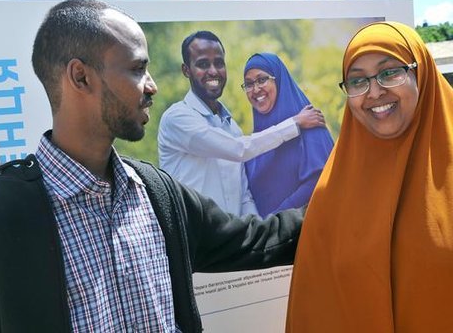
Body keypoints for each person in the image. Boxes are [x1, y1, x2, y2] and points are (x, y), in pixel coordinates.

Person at [0, 0, 306, 333]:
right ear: (81, 76)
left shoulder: (156, 193)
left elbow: (259, 240)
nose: (152, 86)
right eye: (136, 69)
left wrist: (342, 199)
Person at [285, 21, 453, 333]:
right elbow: (316, 309)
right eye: (357, 81)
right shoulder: (331, 194)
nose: (374, 92)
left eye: (390, 72)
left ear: (422, 74)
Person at [158, 31, 325, 216]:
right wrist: (294, 123)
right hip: (196, 242)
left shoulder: (232, 128)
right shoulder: (177, 118)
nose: (213, 71)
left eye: (219, 63)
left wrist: (261, 234)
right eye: (203, 64)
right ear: (186, 70)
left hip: (240, 240)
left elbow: (244, 196)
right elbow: (239, 149)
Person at [242, 53, 334, 218]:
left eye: (262, 79)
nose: (255, 89)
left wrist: (273, 222)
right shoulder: (256, 143)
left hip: (305, 236)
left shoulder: (311, 124)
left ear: (278, 80)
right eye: (249, 84)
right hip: (266, 240)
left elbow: (319, 182)